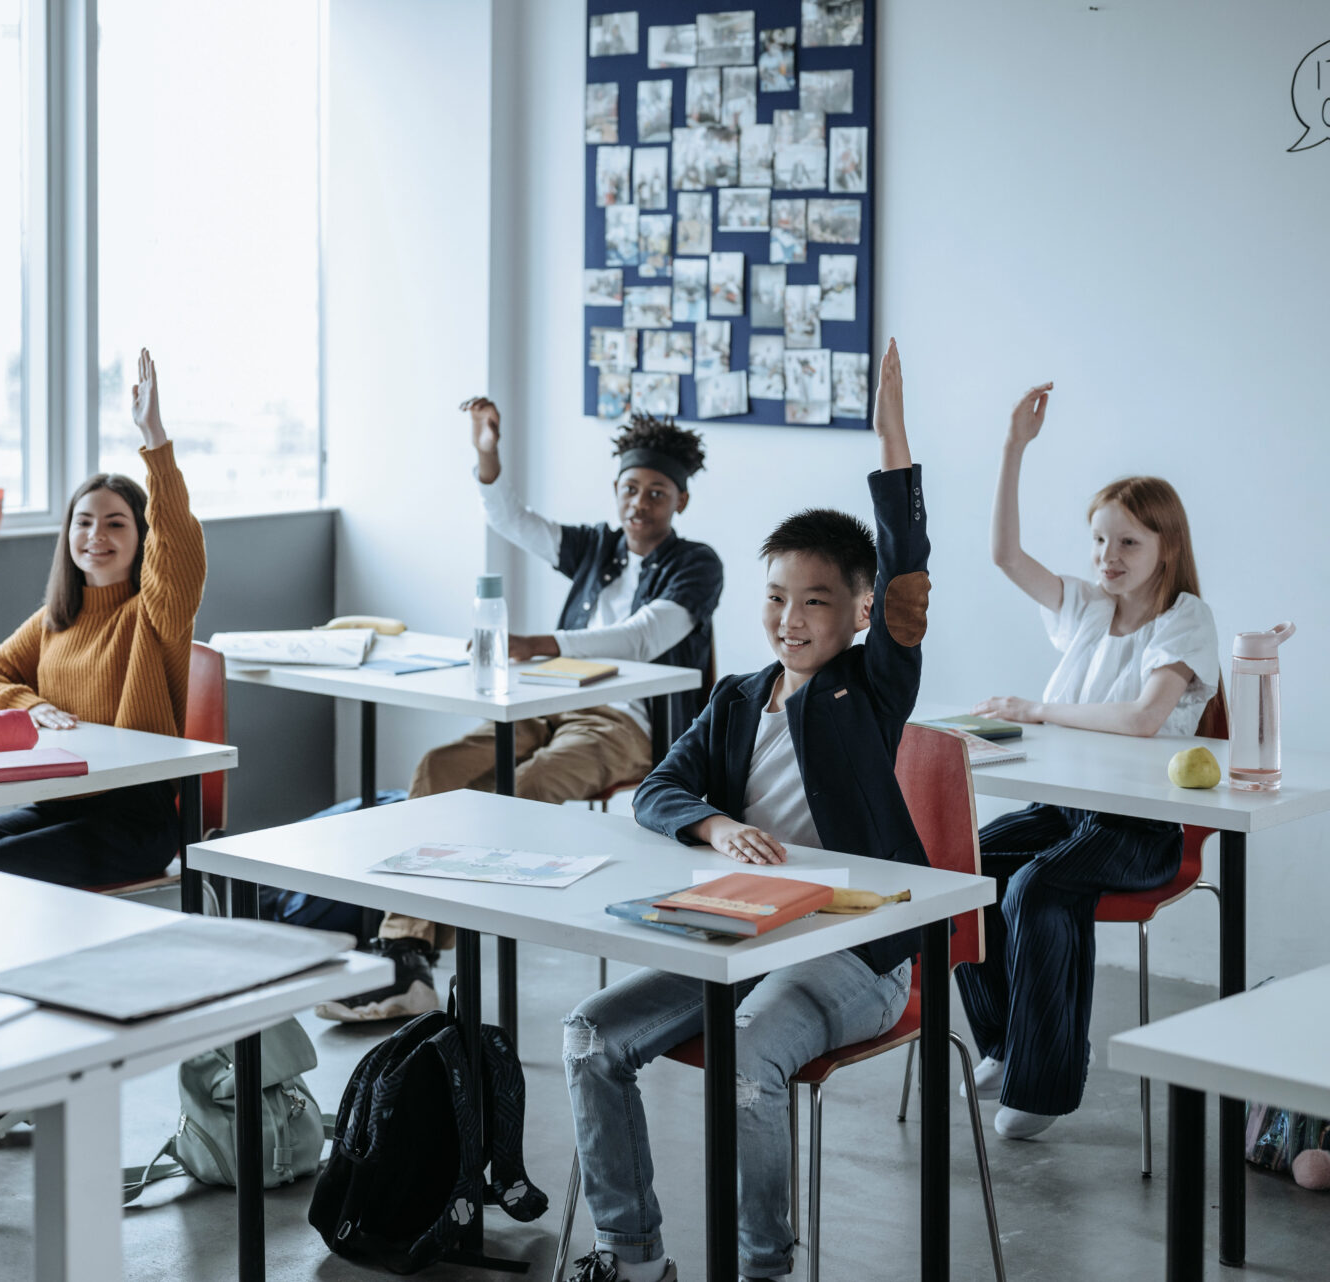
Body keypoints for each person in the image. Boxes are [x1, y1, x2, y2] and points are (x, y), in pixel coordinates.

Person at [560, 340, 923, 1282]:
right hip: (738, 933)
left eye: (815, 601)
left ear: (856, 612)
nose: (790, 618)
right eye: (774, 598)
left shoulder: (868, 690)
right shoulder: (736, 698)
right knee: (592, 1037)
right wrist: (716, 827)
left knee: (747, 1066)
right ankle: (632, 1257)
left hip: (852, 948)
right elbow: (657, 791)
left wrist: (891, 439)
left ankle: (763, 1267)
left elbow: (908, 575)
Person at [319, 403, 722, 1023]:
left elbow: (645, 636)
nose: (641, 503)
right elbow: (512, 519)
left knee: (523, 787)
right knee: (442, 767)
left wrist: (543, 643)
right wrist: (487, 453)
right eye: (631, 489)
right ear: (617, 492)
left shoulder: (697, 564)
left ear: (681, 502)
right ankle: (407, 953)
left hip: (627, 725)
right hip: (547, 701)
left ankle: (407, 954)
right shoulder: (597, 548)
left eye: (658, 493)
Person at [956, 383, 1219, 1141]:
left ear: (1167, 547)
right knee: (963, 869)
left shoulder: (1186, 621)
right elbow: (1003, 554)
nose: (1108, 557)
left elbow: (1142, 719)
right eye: (1100, 540)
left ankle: (1042, 1087)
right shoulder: (1085, 608)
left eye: (1129, 543)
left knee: (1039, 889)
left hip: (1141, 826)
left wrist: (1037, 711)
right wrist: (1013, 448)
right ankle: (1008, 1045)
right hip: (1066, 807)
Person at [0, 349, 205, 896]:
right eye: (84, 522)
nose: (96, 536)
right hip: (58, 802)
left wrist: (155, 440)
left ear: (142, 538)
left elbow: (180, 547)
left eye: (116, 524)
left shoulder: (155, 612)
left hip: (133, 821)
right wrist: (30, 703)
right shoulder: (55, 620)